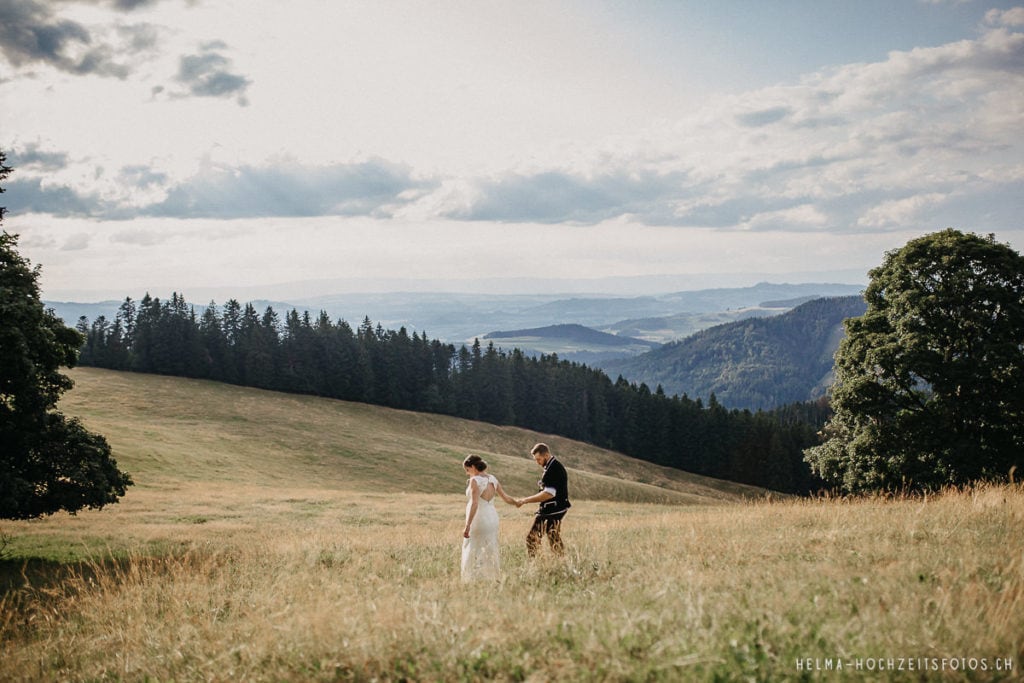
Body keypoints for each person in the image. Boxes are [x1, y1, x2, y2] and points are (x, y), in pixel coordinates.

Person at [461, 454, 516, 581]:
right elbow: (506, 498)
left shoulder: (475, 481)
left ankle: (472, 579)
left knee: (472, 546)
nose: (467, 473)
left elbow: (475, 503)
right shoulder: (493, 479)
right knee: (490, 547)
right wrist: (517, 503)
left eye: (467, 470)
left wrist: (467, 525)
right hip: (492, 517)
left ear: (473, 467)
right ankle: (492, 576)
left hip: (479, 518)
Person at [515, 443, 571, 557]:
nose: (537, 462)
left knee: (532, 538)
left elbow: (548, 494)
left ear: (546, 455)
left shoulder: (553, 469)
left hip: (552, 510)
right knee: (553, 537)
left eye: (539, 459)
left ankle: (535, 564)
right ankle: (561, 562)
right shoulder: (553, 466)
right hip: (557, 508)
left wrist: (525, 500)